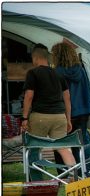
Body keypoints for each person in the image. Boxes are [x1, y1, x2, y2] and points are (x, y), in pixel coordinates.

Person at [21, 46, 76, 180]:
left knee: (34, 149)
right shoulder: (59, 74)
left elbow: (29, 96)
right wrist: (68, 119)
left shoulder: (32, 73)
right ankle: (76, 181)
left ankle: (36, 183)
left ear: (35, 57)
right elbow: (67, 98)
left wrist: (24, 117)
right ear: (47, 57)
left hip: (40, 116)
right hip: (59, 117)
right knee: (64, 149)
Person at [51, 42, 90, 174]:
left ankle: (63, 175)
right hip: (83, 112)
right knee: (79, 145)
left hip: (66, 113)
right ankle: (83, 174)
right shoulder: (81, 70)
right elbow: (88, 90)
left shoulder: (56, 73)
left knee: (59, 145)